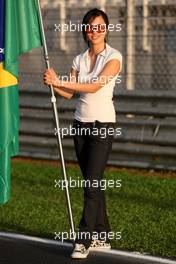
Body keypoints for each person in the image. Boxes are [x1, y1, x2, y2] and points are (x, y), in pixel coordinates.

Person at [44, 8, 122, 259]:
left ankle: (83, 239)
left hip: (102, 126)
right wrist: (54, 82)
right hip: (80, 125)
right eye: (90, 27)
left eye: (99, 26)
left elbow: (94, 86)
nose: (94, 31)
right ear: (86, 31)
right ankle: (103, 233)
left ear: (106, 29)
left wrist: (62, 82)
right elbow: (70, 94)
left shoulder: (114, 57)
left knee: (90, 183)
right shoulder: (79, 59)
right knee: (93, 181)